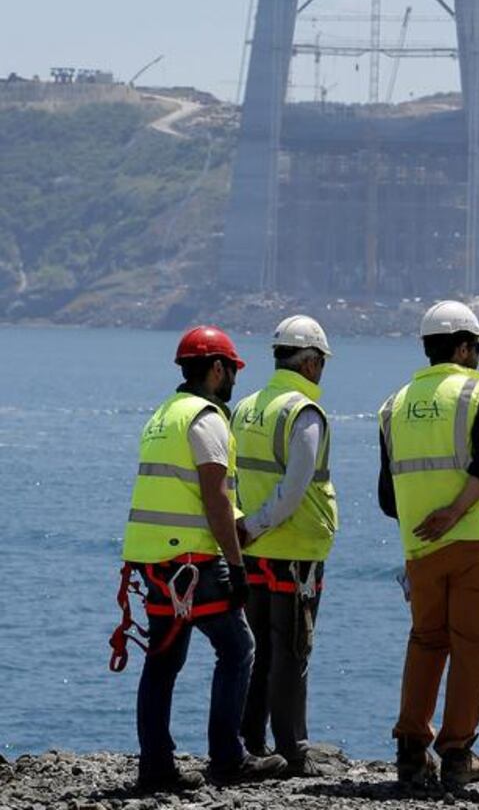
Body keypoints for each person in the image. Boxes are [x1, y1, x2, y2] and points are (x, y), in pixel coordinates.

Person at [121, 325, 288, 791]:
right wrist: (236, 567)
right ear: (217, 369)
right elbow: (214, 498)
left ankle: (155, 765)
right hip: (193, 562)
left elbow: (186, 492)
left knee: (163, 659)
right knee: (238, 649)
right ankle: (228, 759)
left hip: (154, 559)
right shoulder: (206, 419)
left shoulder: (164, 415)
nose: (234, 378)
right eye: (232, 369)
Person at [378, 300, 479, 789]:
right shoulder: (477, 392)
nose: (478, 356)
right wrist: (456, 512)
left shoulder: (393, 406)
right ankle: (458, 753)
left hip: (421, 548)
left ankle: (411, 750)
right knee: (471, 647)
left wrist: (428, 520)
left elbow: (387, 495)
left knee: (426, 641)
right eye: (476, 347)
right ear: (462, 346)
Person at [232, 315, 338, 777]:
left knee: (258, 651)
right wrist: (257, 525)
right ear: (311, 363)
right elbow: (295, 490)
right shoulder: (303, 413)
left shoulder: (245, 407)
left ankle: (250, 739)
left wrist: (244, 529)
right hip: (293, 551)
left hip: (252, 552)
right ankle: (293, 749)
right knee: (293, 650)